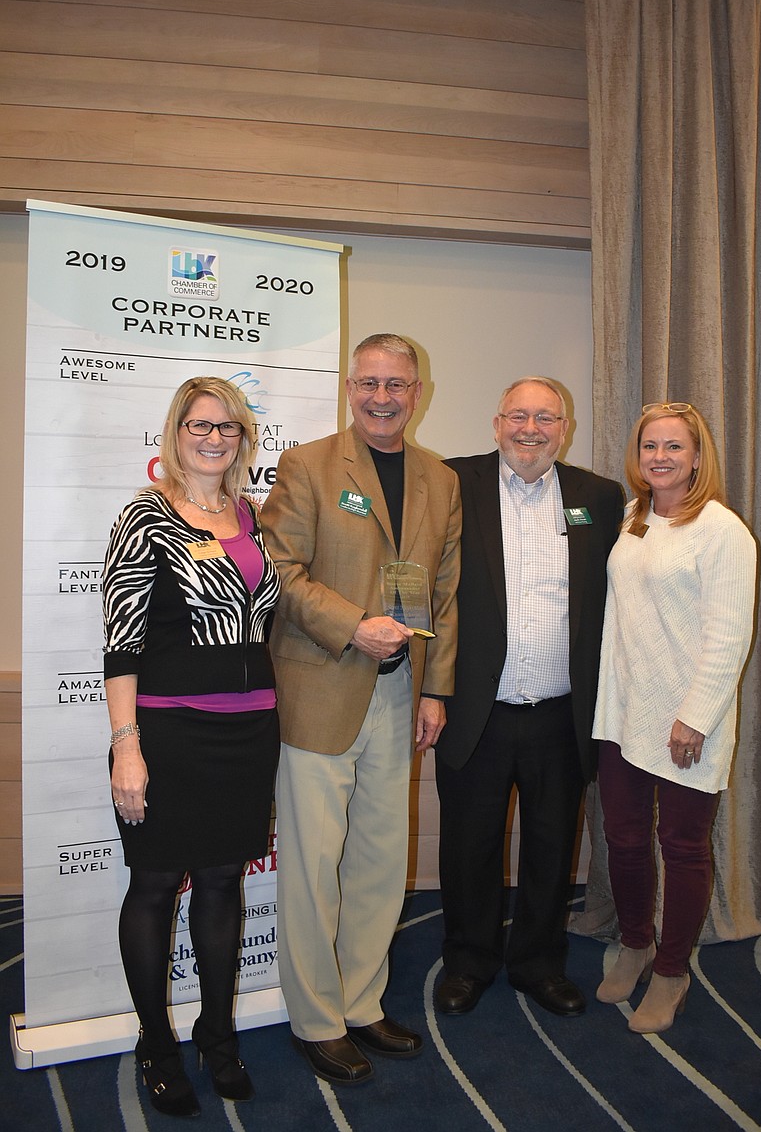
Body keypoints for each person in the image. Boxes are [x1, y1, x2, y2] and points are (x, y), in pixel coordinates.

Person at [261, 333, 461, 1086]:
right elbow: (281, 570)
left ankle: (362, 1001)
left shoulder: (440, 479)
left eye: (398, 385)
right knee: (314, 866)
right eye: (371, 383)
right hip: (321, 687)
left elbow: (444, 590)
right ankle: (315, 1019)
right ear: (351, 388)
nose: (384, 396)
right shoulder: (308, 465)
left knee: (381, 859)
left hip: (401, 694)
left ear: (418, 390)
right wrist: (355, 625)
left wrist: (436, 685)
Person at [103, 376, 281, 1117]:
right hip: (170, 732)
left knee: (220, 884)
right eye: (198, 426)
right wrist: (126, 746)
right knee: (153, 887)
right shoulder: (145, 517)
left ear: (244, 438)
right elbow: (120, 642)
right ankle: (156, 1042)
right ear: (175, 435)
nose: (213, 439)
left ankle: (217, 1035)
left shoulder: (253, 517)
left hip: (250, 732)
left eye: (227, 428)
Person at [434, 377, 623, 1017]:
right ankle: (467, 960)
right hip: (475, 711)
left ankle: (539, 963)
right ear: (496, 422)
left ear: (563, 430)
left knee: (551, 845)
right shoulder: (452, 482)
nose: (531, 429)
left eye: (547, 418)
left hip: (560, 713)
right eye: (519, 415)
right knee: (469, 846)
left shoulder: (599, 497)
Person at [592, 401, 757, 1034]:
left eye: (673, 447)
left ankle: (671, 969)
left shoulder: (721, 530)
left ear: (696, 457)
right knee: (624, 838)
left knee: (682, 848)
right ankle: (635, 941)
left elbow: (729, 632)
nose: (659, 457)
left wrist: (696, 716)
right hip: (624, 712)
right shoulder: (634, 518)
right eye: (649, 446)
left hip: (688, 718)